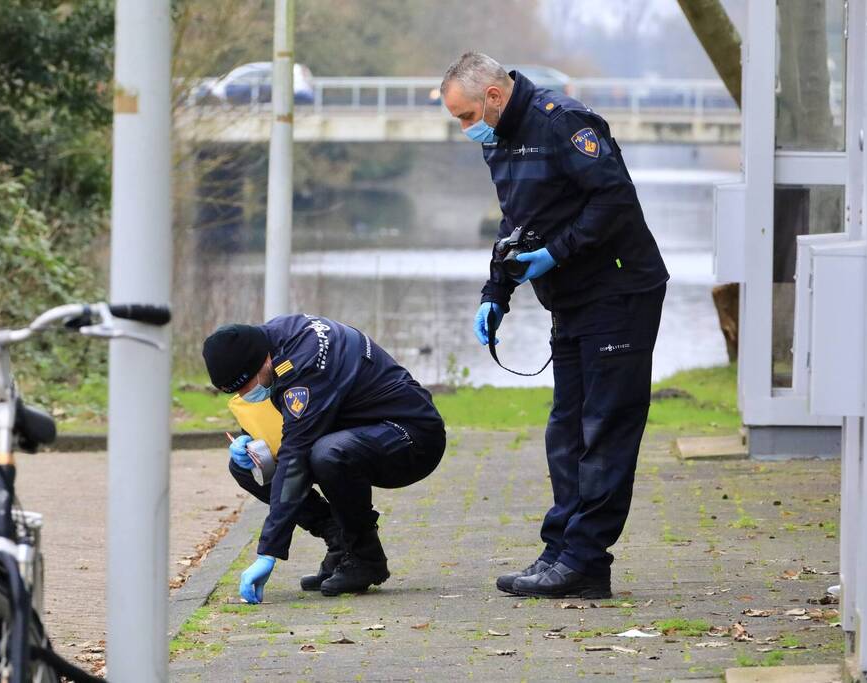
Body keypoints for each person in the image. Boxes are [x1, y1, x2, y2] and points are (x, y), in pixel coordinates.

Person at [441, 52, 669, 599]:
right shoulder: (500, 137)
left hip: (619, 290)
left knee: (604, 430)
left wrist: (556, 254)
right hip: (572, 298)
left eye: (466, 115)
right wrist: (497, 290)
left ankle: (586, 560)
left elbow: (614, 198)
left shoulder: (562, 122)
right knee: (565, 431)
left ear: (494, 96)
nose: (464, 128)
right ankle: (564, 550)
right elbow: (517, 221)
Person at [202, 315, 446, 602]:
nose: (247, 395)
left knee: (328, 454)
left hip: (411, 435)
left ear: (263, 362)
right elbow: (283, 415)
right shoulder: (274, 342)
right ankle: (341, 542)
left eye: (247, 387)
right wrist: (249, 439)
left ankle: (366, 559)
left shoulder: (306, 364)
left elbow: (295, 456)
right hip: (355, 428)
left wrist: (268, 552)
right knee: (251, 465)